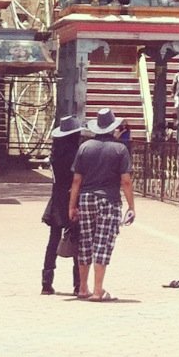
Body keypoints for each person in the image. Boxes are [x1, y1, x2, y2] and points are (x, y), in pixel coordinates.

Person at [68, 110, 136, 303]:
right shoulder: (119, 150)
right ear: (113, 128)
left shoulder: (84, 148)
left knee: (85, 242)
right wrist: (131, 206)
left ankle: (83, 288)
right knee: (102, 244)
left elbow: (76, 181)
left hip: (86, 198)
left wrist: (72, 206)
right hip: (109, 200)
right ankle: (98, 291)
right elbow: (126, 181)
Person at [41, 116, 86, 298]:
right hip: (72, 198)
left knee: (53, 241)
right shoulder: (77, 153)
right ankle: (77, 284)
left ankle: (46, 281)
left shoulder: (55, 153)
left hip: (56, 198)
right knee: (77, 241)